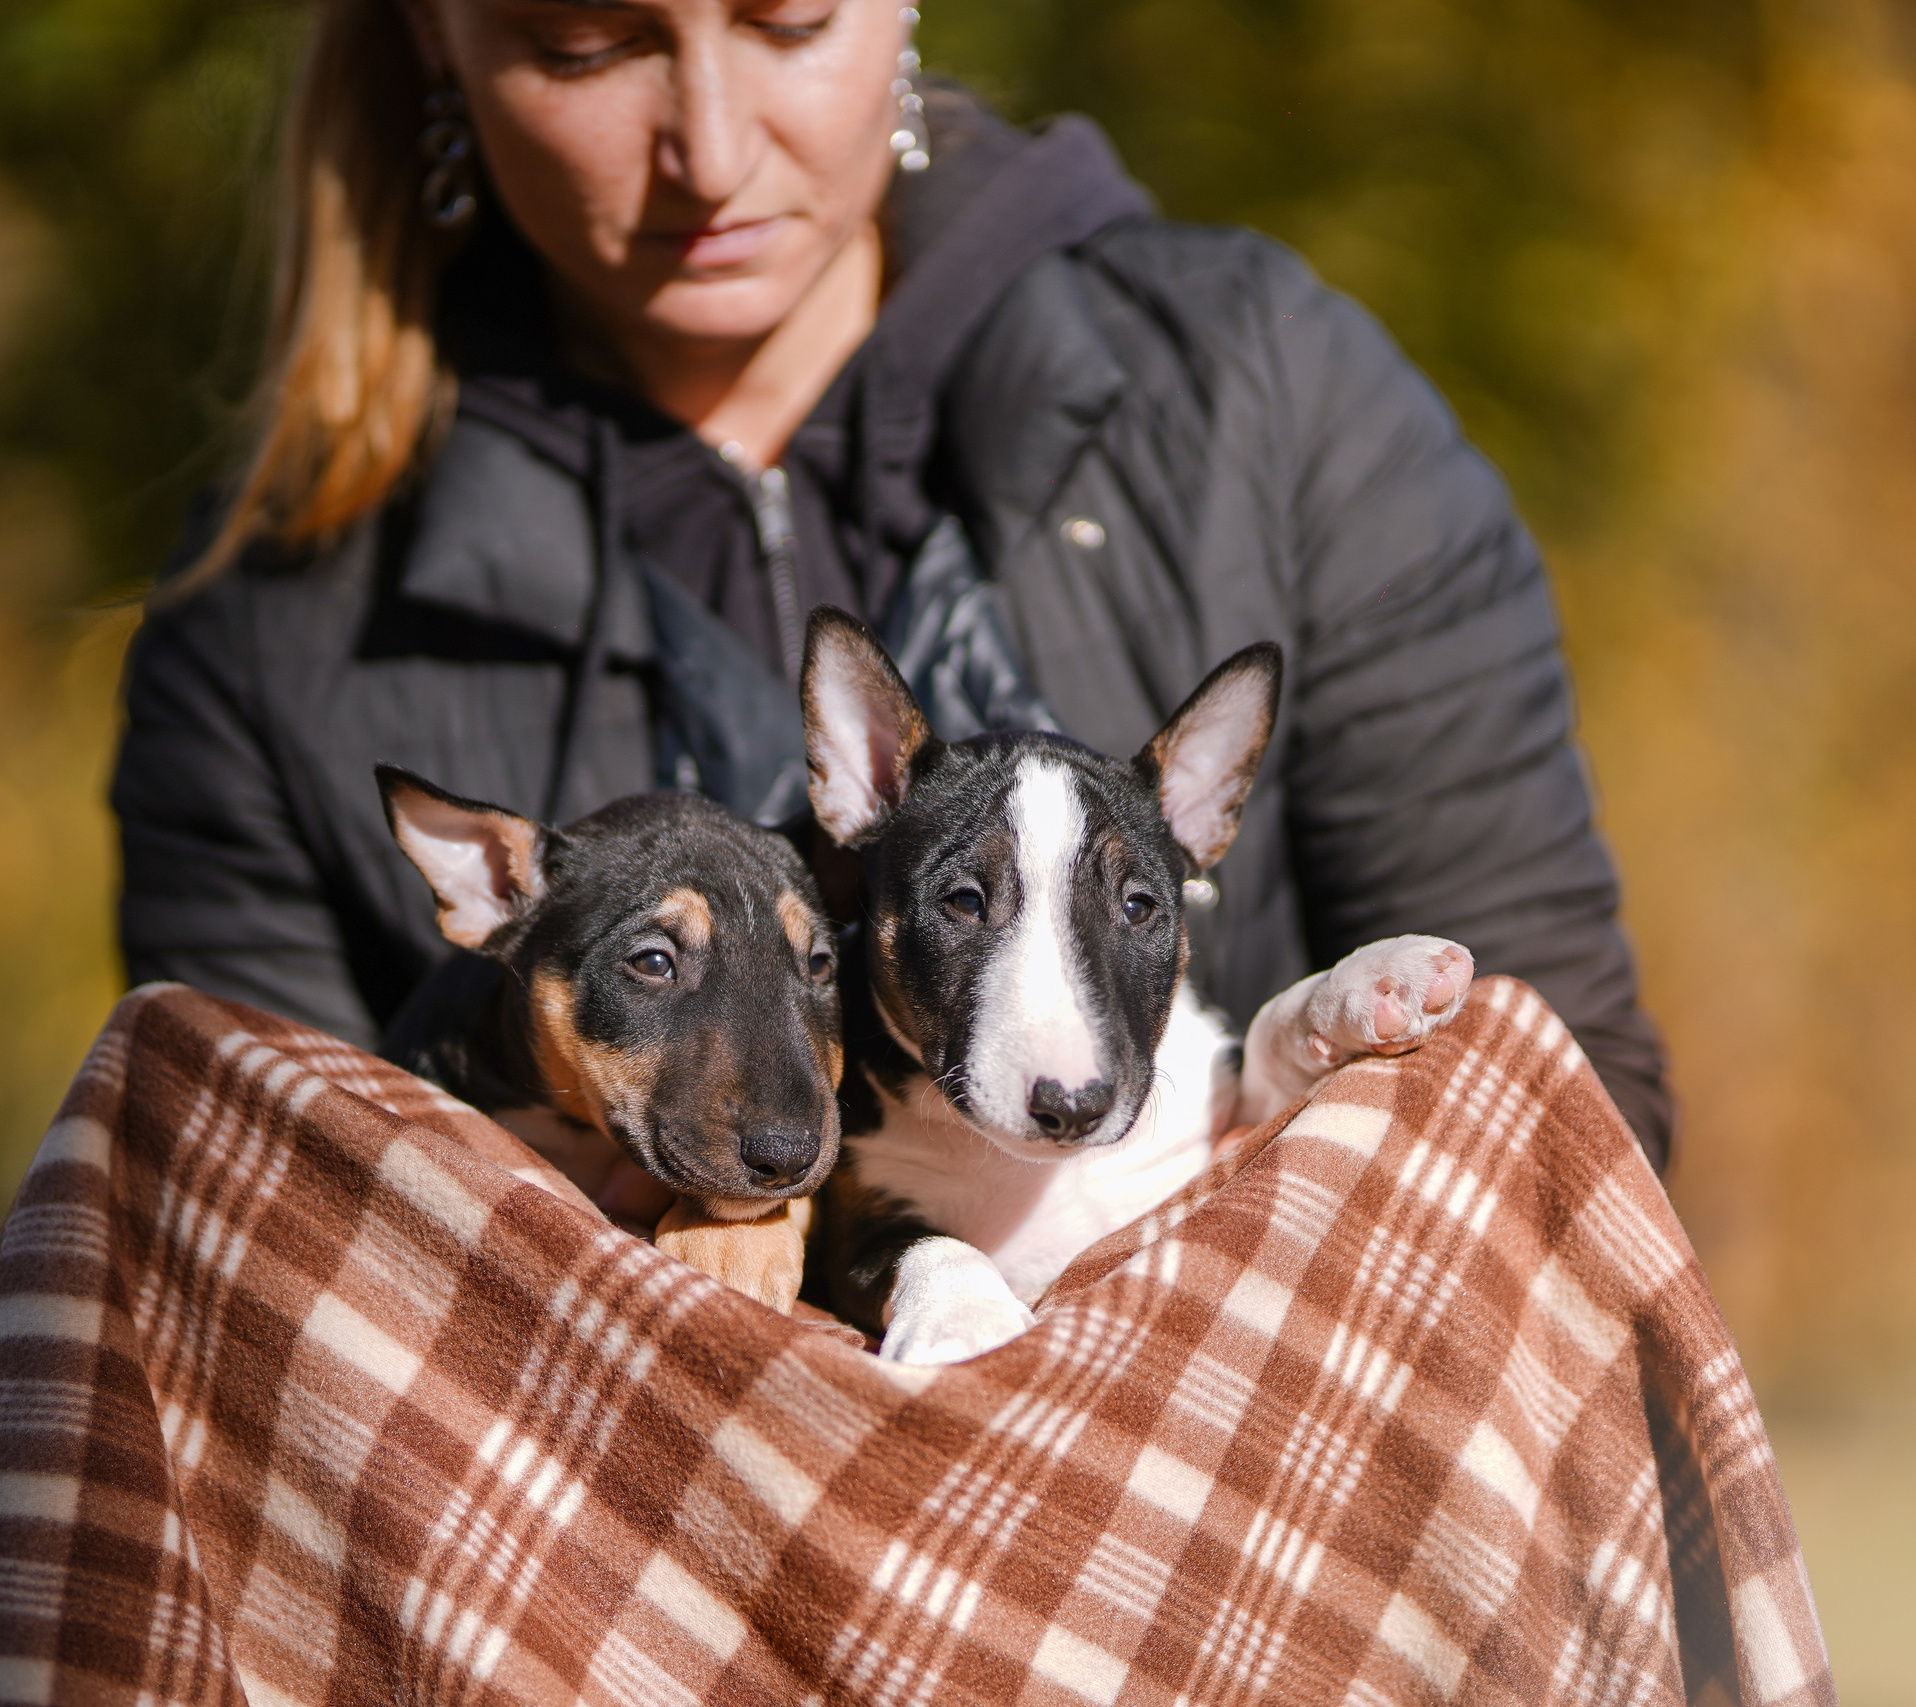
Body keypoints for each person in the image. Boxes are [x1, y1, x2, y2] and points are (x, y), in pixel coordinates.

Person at [110, 0, 1674, 1168]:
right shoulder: (269, 628)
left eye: (787, 16)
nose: (711, 148)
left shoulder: (1272, 401)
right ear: (432, 34)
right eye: (589, 41)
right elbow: (278, 1292)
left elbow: (1560, 1121)